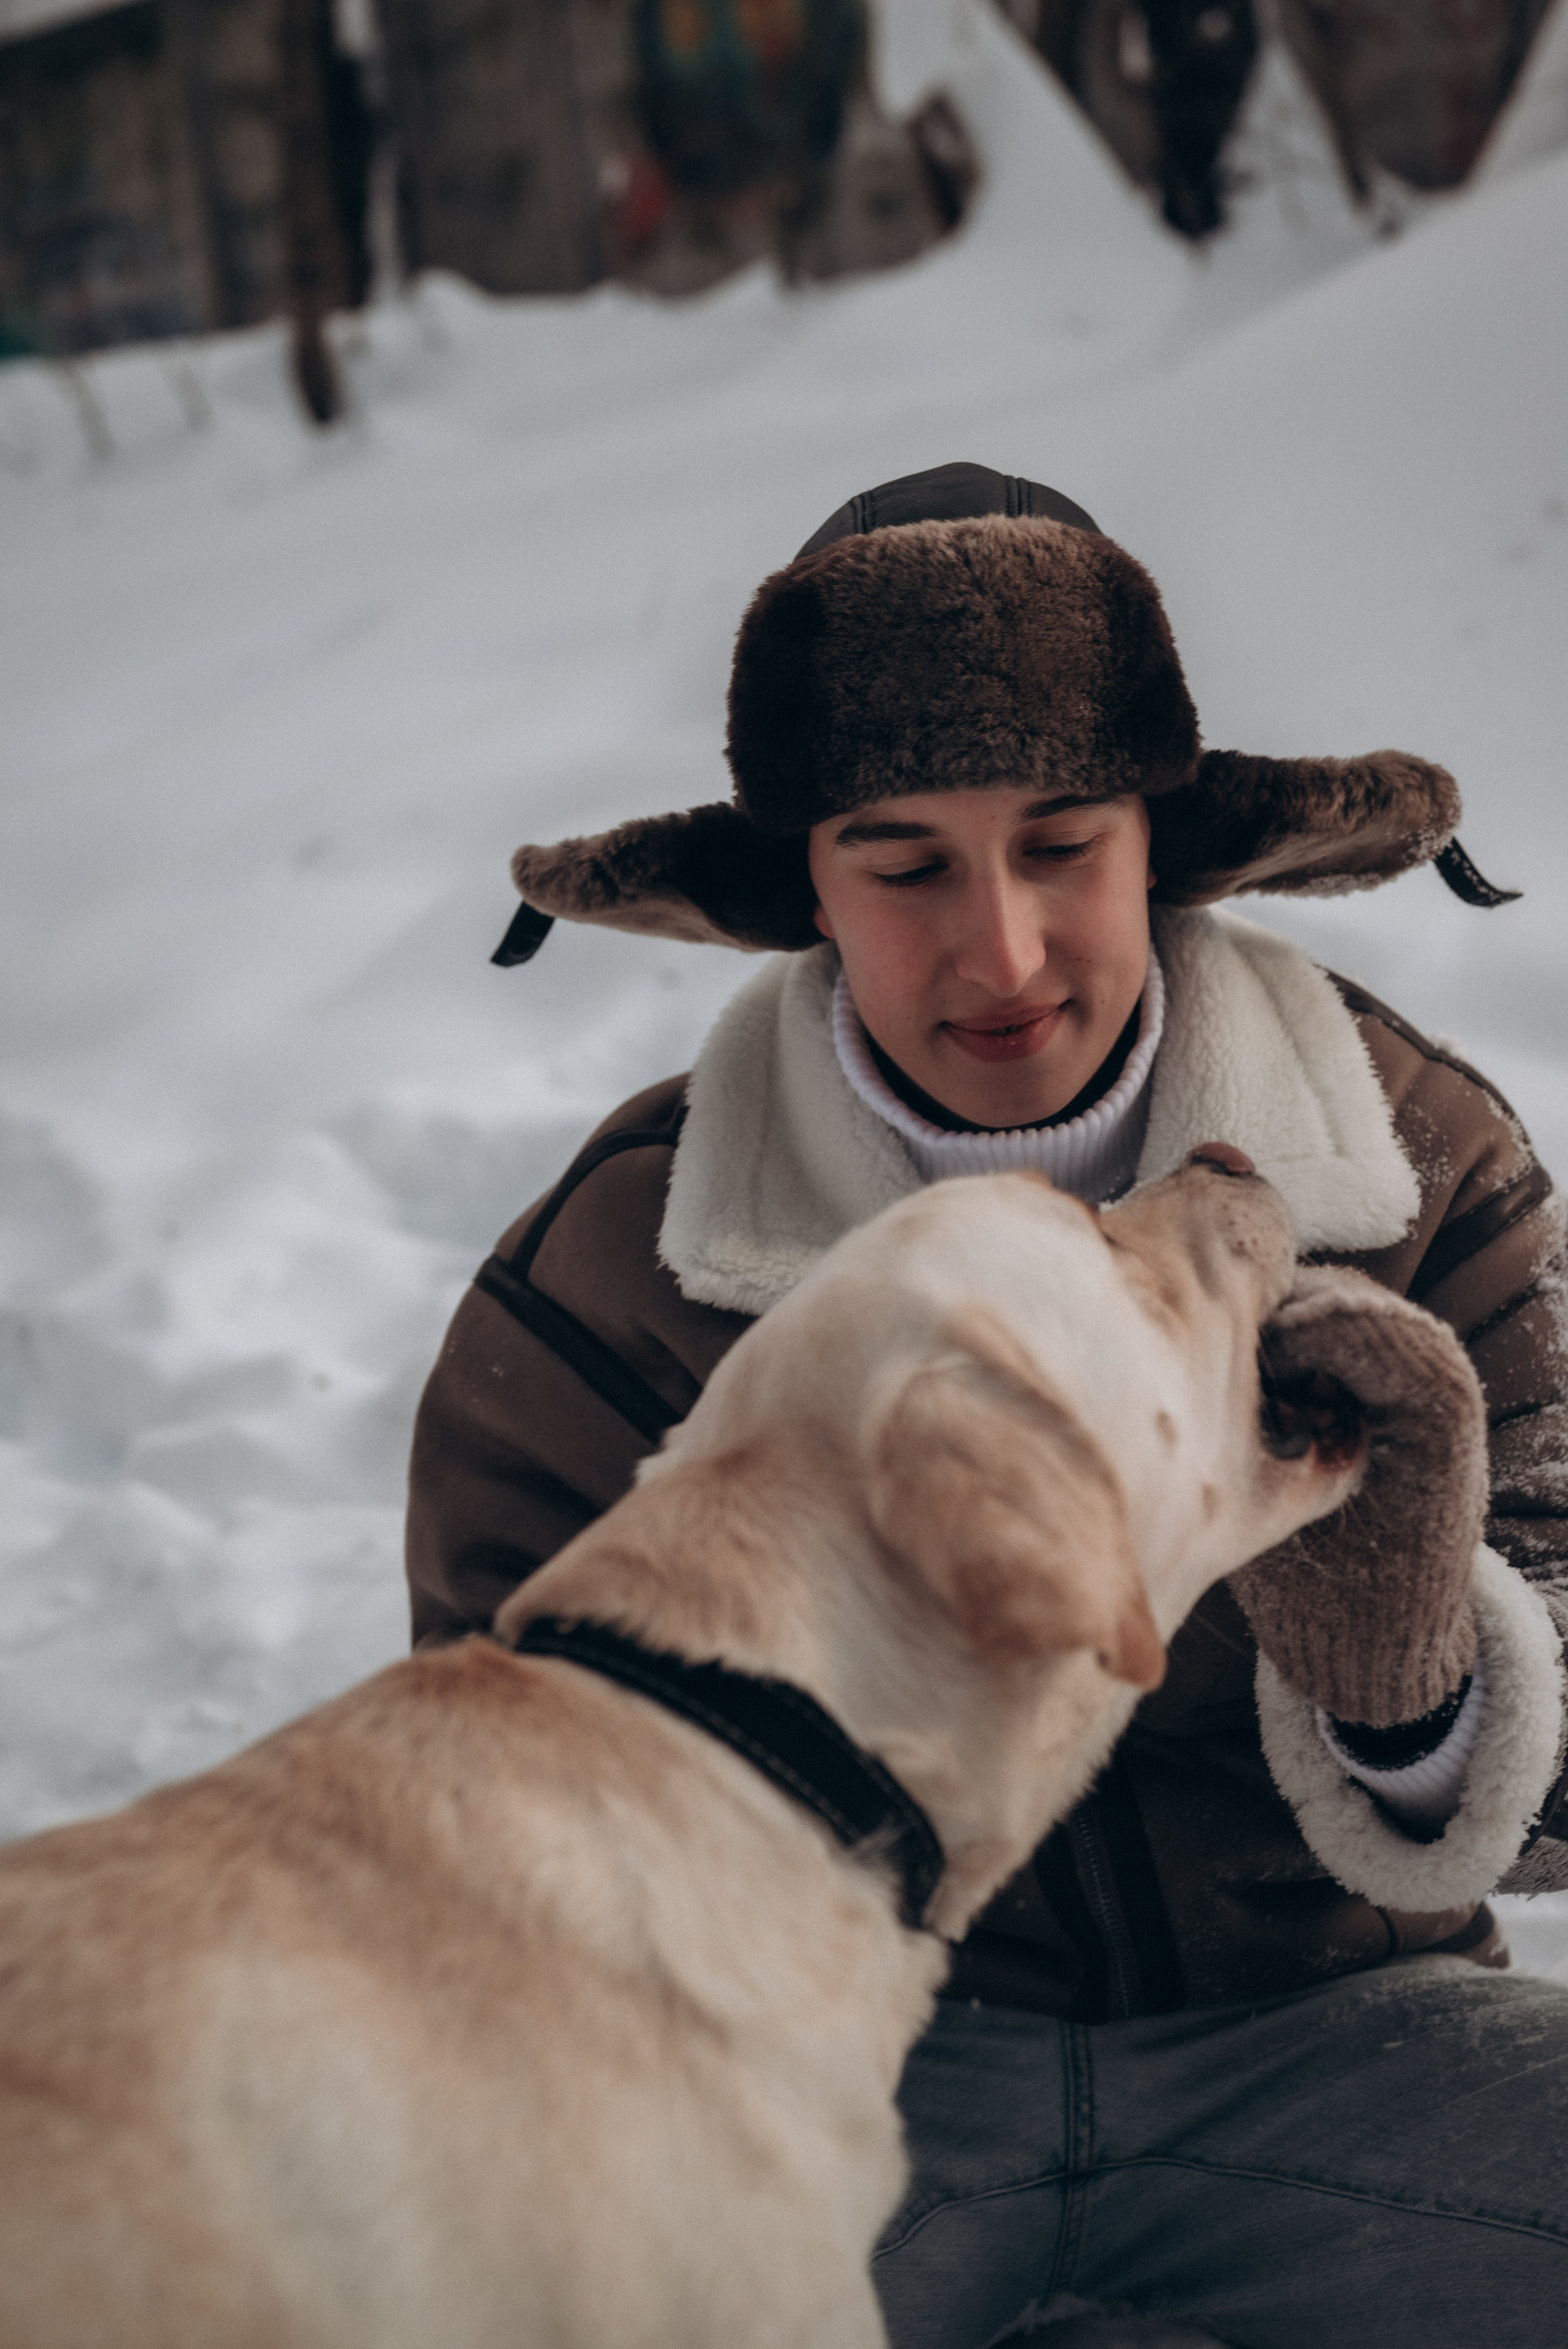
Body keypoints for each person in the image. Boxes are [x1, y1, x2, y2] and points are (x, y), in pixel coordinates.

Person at [405, 464, 1568, 2347]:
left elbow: (1563, 1781)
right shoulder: (621, 1271)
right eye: (907, 860)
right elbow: (486, 1861)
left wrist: (1412, 1683)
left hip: (1340, 2049)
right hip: (847, 2092)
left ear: (1158, 842)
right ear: (806, 879)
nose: (1004, 952)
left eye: (1060, 843)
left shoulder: (1415, 1168)